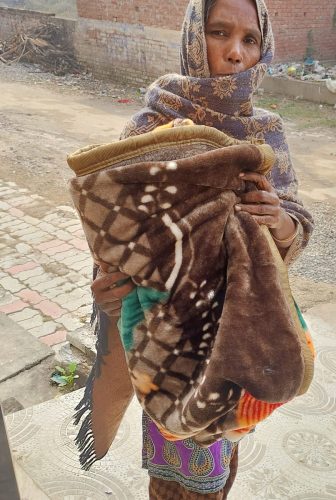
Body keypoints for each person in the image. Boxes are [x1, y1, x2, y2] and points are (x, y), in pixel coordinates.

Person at [88, 0, 314, 498]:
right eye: (219, 32)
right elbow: (116, 231)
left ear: (264, 47)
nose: (235, 52)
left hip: (245, 325)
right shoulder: (150, 128)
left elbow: (297, 223)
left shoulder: (265, 131)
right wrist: (107, 286)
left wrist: (277, 221)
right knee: (179, 473)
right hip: (168, 336)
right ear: (193, 37)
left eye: (250, 39)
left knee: (224, 451)